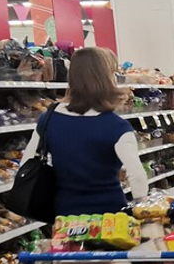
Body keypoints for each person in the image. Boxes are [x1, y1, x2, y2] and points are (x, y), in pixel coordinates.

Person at [19, 46, 148, 216]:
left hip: (65, 217)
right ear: (105, 78)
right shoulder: (117, 127)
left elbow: (26, 163)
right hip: (109, 218)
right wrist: (142, 210)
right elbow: (137, 175)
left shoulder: (49, 119)